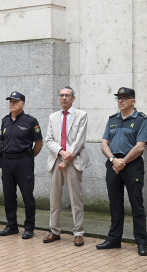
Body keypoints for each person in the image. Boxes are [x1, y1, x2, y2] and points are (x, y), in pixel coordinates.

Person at [97, 87, 147, 256]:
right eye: (118, 98)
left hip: (132, 165)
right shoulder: (112, 119)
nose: (120, 100)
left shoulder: (141, 120)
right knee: (115, 205)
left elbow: (140, 146)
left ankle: (141, 243)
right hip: (113, 165)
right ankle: (114, 240)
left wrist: (123, 162)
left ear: (133, 101)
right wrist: (114, 160)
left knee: (137, 205)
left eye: (125, 98)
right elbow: (104, 143)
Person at [44, 86, 90, 246]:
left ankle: (78, 233)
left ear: (73, 98)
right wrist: (62, 153)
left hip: (74, 160)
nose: (64, 98)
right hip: (56, 160)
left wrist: (67, 157)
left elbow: (79, 140)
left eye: (67, 95)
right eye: (62, 95)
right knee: (54, 199)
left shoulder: (82, 115)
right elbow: (48, 140)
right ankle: (54, 231)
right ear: (59, 98)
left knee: (75, 199)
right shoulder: (53, 117)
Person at [0, 91, 43, 239]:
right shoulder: (5, 120)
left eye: (15, 101)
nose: (12, 103)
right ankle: (12, 226)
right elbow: (2, 140)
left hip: (23, 161)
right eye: (10, 101)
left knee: (27, 195)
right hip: (7, 161)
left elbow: (39, 143)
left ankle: (29, 227)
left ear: (22, 104)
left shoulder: (31, 121)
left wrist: (29, 157)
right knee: (8, 195)